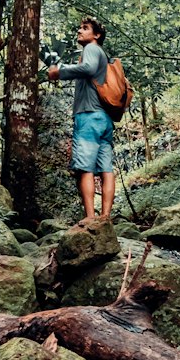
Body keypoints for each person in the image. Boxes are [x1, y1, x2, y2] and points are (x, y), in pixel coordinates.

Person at [47, 17, 115, 220]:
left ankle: (90, 218)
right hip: (104, 118)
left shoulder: (92, 49)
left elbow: (88, 69)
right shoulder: (102, 55)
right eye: (80, 27)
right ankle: (105, 217)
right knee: (105, 168)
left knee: (85, 167)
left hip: (88, 117)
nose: (79, 31)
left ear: (97, 35)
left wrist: (60, 72)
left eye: (85, 28)